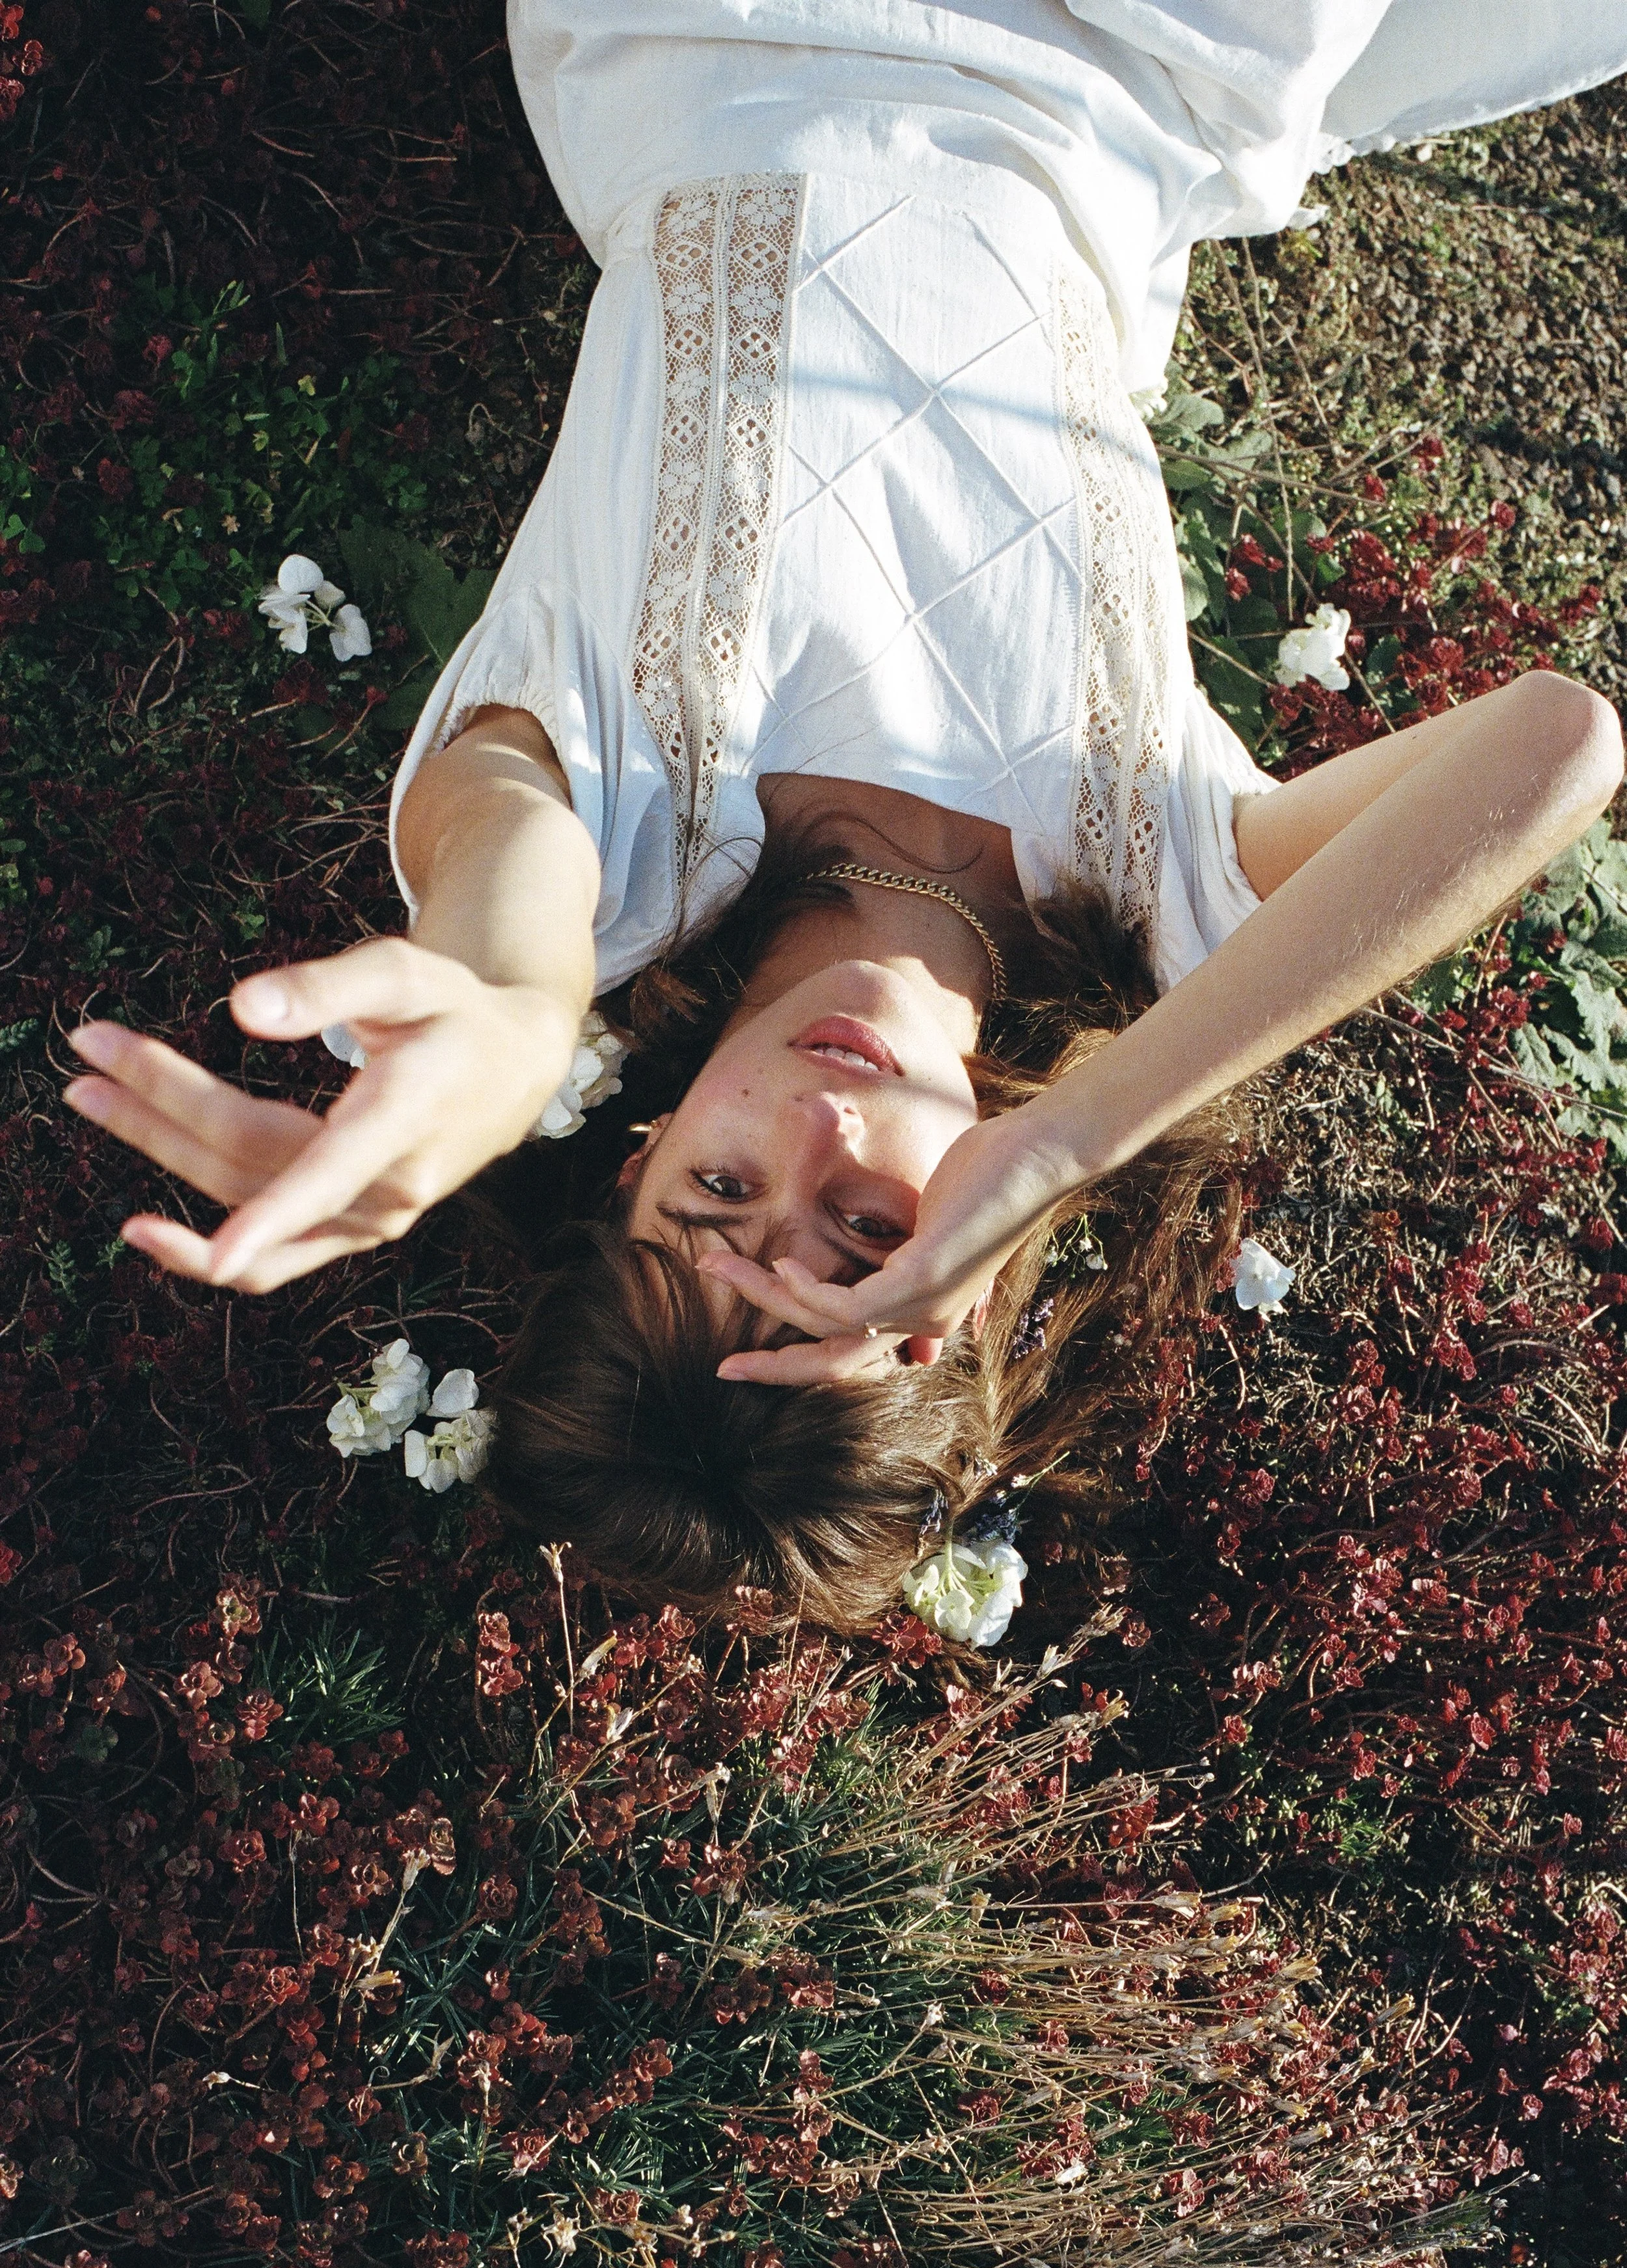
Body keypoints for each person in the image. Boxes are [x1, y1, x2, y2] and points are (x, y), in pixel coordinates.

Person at [64, 5, 1627, 1628]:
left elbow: (497, 871)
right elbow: (1555, 744)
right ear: (962, 1268)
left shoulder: (624, 854)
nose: (811, 1132)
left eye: (720, 1195)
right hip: (1121, 70)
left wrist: (510, 1017)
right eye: (863, 1224)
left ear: (637, 1156)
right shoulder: (1164, 895)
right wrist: (1071, 1138)